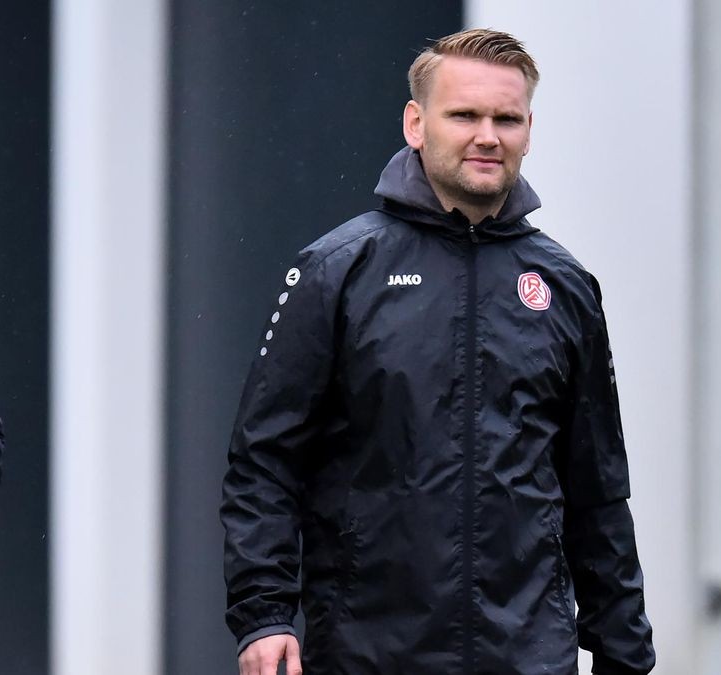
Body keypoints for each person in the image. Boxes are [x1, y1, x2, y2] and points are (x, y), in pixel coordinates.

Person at [220, 29, 655, 675]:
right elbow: (265, 462)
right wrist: (264, 613)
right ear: (416, 124)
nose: (488, 135)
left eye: (506, 118)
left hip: (528, 653)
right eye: (465, 115)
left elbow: (596, 489)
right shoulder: (337, 270)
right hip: (370, 650)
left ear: (529, 129)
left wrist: (625, 652)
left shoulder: (564, 286)